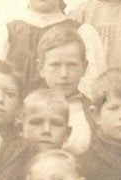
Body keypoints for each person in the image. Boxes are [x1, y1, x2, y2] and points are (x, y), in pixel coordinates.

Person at [35, 25, 94, 154]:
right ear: (41, 68)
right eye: (55, 65)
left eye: (72, 65)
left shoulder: (94, 113)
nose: (64, 74)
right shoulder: (30, 110)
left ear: (84, 67)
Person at [20, 87, 73, 152]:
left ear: (67, 133)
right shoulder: (9, 161)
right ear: (21, 128)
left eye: (56, 124)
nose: (46, 130)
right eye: (37, 123)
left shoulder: (70, 162)